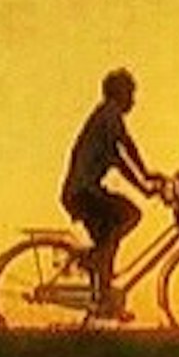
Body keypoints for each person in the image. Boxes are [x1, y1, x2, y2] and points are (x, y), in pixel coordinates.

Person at [61, 66, 164, 319]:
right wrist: (143, 186)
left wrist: (147, 175)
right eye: (131, 93)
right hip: (84, 192)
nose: (134, 100)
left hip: (82, 191)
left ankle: (104, 299)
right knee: (129, 214)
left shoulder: (109, 116)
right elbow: (118, 157)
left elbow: (128, 147)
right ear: (120, 93)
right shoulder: (109, 114)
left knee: (108, 239)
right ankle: (96, 264)